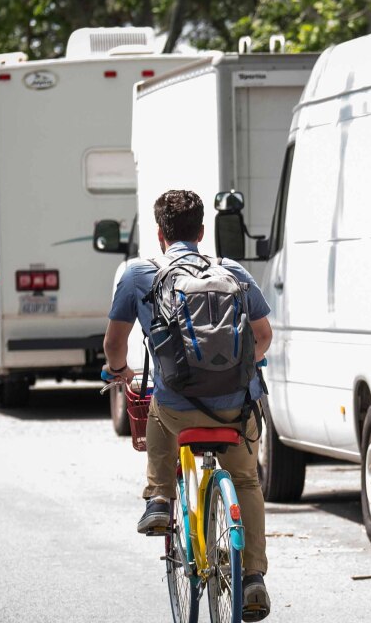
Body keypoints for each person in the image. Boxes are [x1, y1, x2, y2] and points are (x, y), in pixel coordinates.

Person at [102, 189, 272, 621]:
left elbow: (114, 344)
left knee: (158, 411)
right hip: (235, 410)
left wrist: (118, 371)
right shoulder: (231, 270)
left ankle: (159, 500)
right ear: (201, 232)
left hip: (177, 409)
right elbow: (263, 335)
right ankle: (252, 577)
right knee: (246, 479)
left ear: (160, 233)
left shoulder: (138, 274)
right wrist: (241, 367)